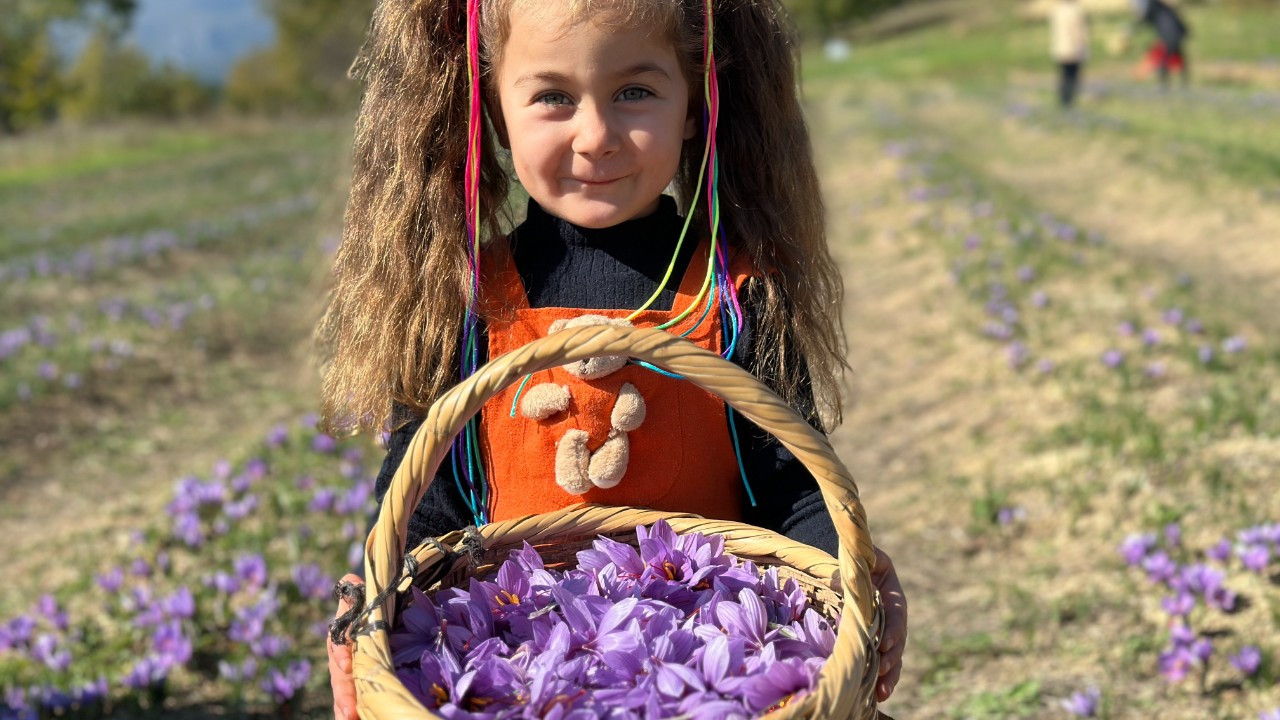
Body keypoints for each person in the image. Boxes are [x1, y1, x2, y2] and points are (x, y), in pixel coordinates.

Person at [320, 1, 908, 718]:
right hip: (519, 668)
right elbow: (422, 507)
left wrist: (853, 587)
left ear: (694, 101)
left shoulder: (735, 293)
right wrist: (373, 613)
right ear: (495, 114)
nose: (595, 136)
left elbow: (793, 489)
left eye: (634, 91)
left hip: (704, 672)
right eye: (552, 98)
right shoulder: (465, 306)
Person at [1131, 0, 1190, 88]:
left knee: (1164, 60)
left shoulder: (1152, 5)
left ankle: (1165, 87)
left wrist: (1131, 29)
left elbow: (1145, 19)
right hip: (1176, 32)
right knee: (1178, 59)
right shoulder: (1159, 5)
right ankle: (1184, 85)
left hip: (1168, 34)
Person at [1049, 0, 1090, 108]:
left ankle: (1063, 101)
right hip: (1073, 49)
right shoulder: (1075, 10)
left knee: (1064, 76)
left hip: (1060, 49)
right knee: (1072, 77)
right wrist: (1081, 47)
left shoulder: (1057, 9)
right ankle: (1068, 102)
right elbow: (1078, 32)